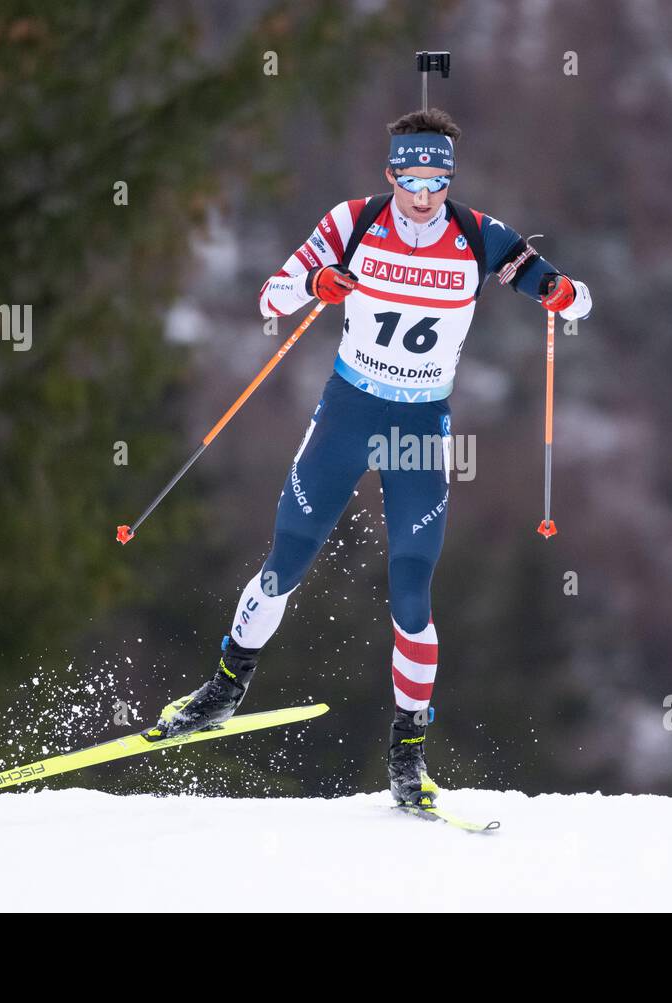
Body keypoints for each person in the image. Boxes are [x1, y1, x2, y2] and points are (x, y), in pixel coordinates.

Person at [148, 108, 592, 807]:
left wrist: (562, 295)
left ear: (450, 177)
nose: (423, 195)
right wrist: (316, 285)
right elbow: (271, 295)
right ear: (391, 174)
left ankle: (408, 752)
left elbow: (559, 289)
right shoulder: (350, 222)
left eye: (437, 180)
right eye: (411, 179)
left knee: (413, 592)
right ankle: (224, 688)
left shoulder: (477, 234)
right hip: (349, 412)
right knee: (284, 560)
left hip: (420, 425)